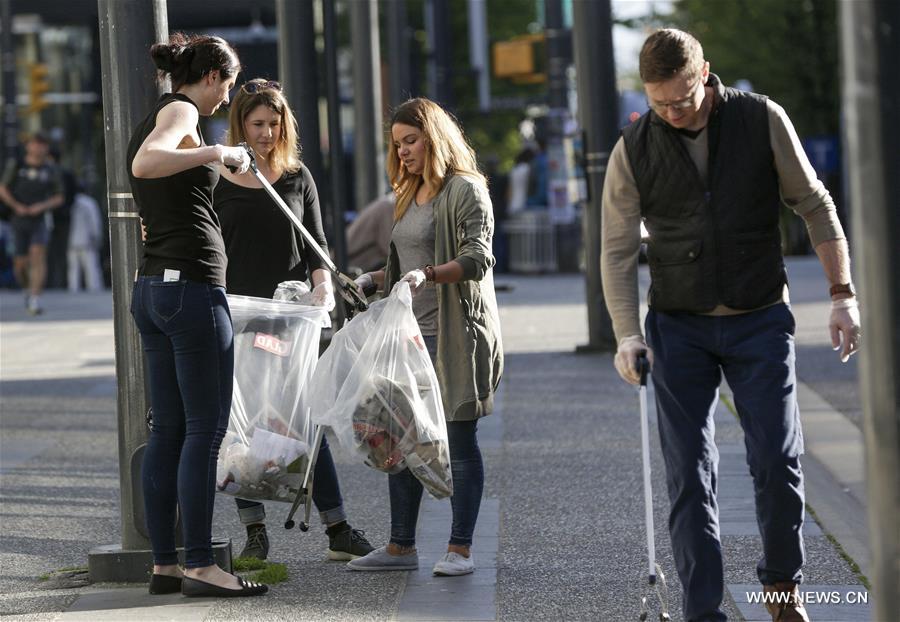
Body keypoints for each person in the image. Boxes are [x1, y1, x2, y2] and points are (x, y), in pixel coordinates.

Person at [600, 29, 860, 622]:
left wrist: (843, 294)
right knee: (689, 474)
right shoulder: (633, 147)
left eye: (684, 98)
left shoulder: (762, 119)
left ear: (706, 74)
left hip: (759, 316)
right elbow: (615, 250)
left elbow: (815, 204)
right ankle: (702, 611)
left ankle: (782, 592)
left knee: (777, 458)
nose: (673, 112)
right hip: (678, 327)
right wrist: (625, 334)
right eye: (660, 102)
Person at [127, 33, 266, 598]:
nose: (226, 99)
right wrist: (214, 152)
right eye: (228, 85)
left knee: (170, 432)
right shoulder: (182, 109)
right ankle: (203, 564)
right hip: (190, 292)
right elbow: (146, 162)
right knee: (203, 433)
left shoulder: (163, 113)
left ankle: (165, 564)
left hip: (155, 291)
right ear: (210, 75)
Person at [213, 77, 374, 562]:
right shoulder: (217, 174)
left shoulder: (296, 175)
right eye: (256, 123)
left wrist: (323, 285)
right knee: (240, 426)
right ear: (239, 123)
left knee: (299, 422)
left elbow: (317, 242)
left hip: (288, 319)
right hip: (235, 317)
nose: (265, 133)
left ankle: (337, 527)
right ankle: (254, 530)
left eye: (273, 123)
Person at [347, 97, 503, 577]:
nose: (404, 152)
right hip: (407, 337)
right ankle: (400, 547)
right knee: (400, 438)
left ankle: (460, 549)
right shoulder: (407, 192)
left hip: (453, 337)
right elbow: (401, 266)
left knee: (457, 440)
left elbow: (478, 258)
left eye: (410, 141)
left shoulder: (466, 190)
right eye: (397, 145)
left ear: (434, 136)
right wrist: (372, 281)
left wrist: (430, 275)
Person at [0, 132, 64, 314]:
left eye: (42, 144)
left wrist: (41, 206)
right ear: (29, 146)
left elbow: (59, 197)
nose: (39, 148)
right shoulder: (17, 165)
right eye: (35, 144)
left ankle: (35, 297)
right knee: (20, 262)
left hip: (40, 219)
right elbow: (3, 188)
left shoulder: (51, 169)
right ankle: (28, 290)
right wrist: (16, 205)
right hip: (18, 219)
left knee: (38, 255)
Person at [346, 192, 395, 274]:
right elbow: (390, 249)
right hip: (351, 264)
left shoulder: (387, 203)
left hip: (362, 265)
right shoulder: (388, 206)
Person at [67, 184, 103, 292]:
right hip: (87, 240)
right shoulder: (89, 202)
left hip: (71, 240)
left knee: (73, 269)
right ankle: (94, 290)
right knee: (91, 268)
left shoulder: (69, 202)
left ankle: (73, 290)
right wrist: (97, 237)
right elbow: (95, 221)